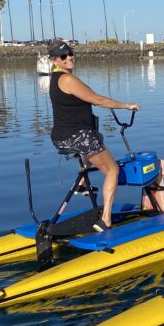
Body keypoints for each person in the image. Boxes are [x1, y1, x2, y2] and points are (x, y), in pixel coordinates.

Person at [48, 40, 139, 231]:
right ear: (55, 60)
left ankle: (82, 181)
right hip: (78, 137)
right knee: (113, 170)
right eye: (63, 56)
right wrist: (126, 105)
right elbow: (98, 100)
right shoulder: (67, 80)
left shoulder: (55, 78)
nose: (69, 58)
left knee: (96, 138)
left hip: (61, 136)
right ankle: (105, 220)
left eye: (70, 53)